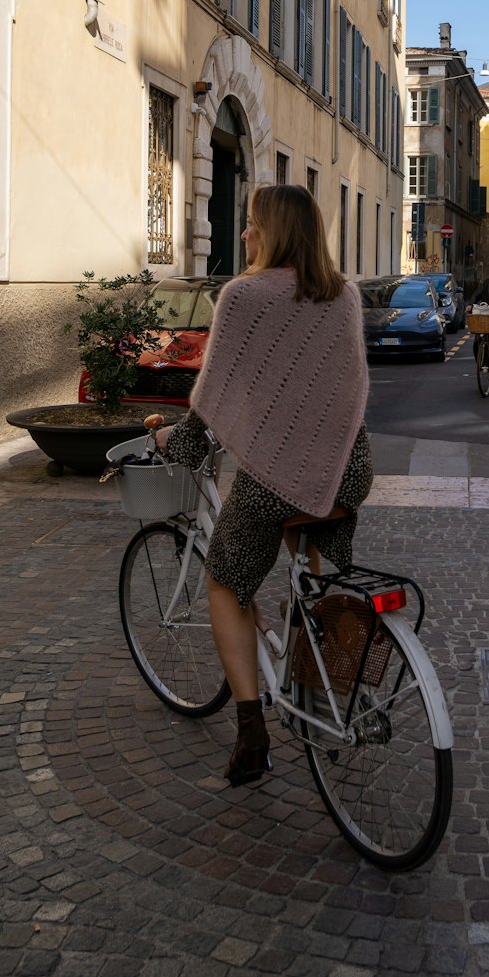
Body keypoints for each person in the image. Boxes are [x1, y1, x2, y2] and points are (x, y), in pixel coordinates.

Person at [155, 184, 372, 787]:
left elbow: (219, 389)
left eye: (252, 224)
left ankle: (252, 737)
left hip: (277, 478)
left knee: (225, 580)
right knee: (318, 565)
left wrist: (187, 441)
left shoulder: (244, 296)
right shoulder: (345, 296)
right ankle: (321, 668)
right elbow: (342, 394)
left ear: (272, 230)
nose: (245, 233)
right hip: (347, 470)